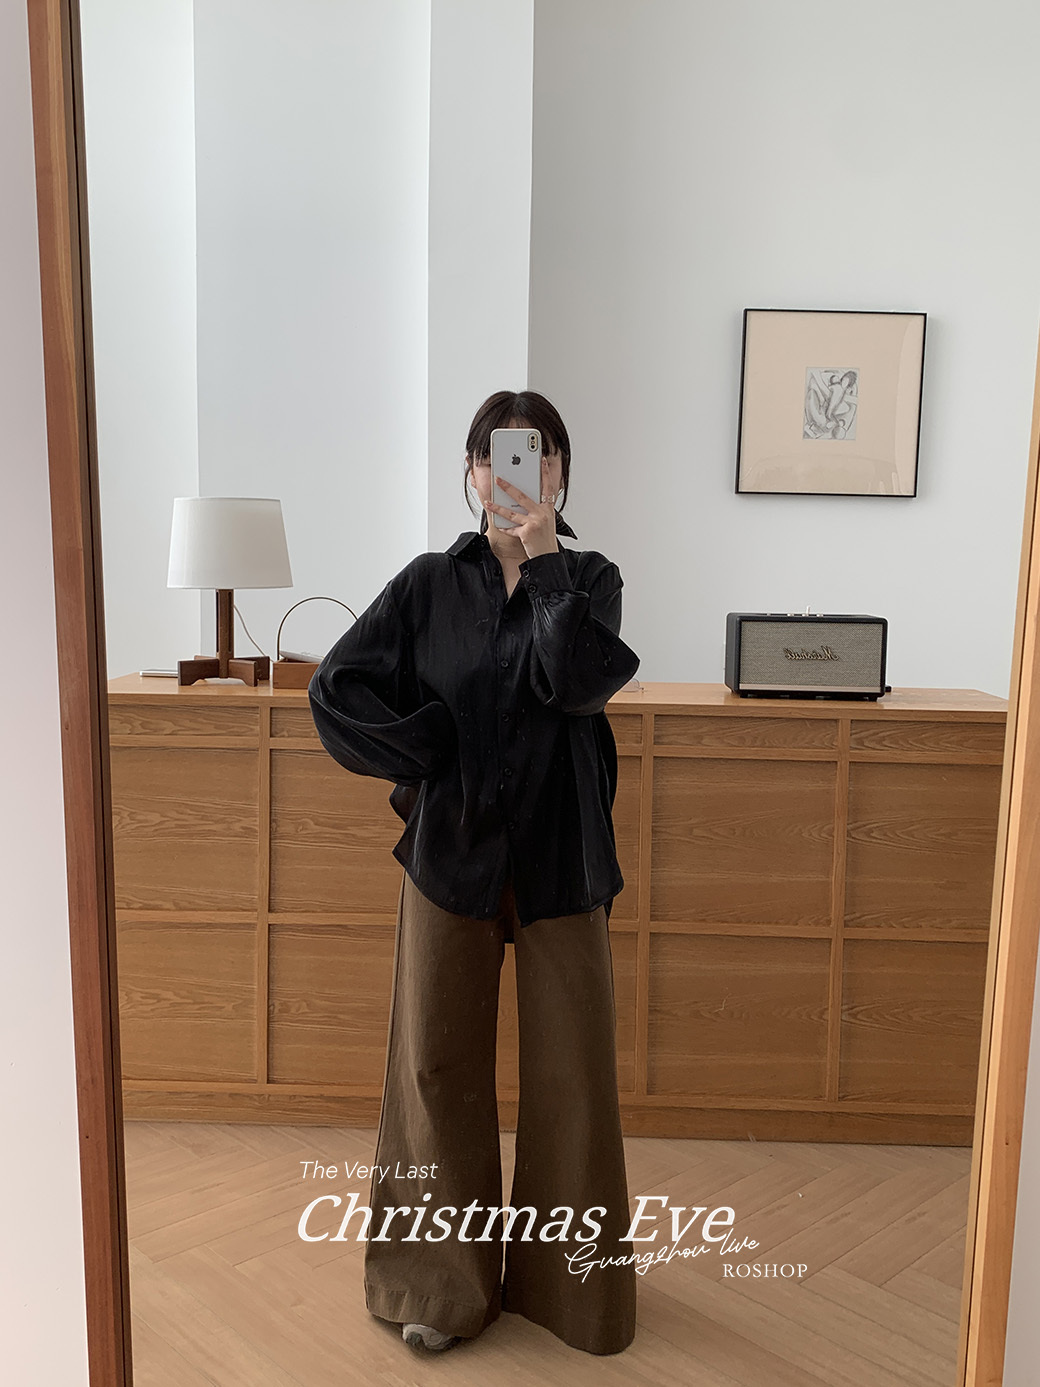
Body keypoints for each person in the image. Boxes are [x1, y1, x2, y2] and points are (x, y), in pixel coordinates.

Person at [308, 389, 640, 1356]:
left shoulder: (591, 578)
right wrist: (427, 751)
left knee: (573, 1073)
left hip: (561, 858)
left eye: (538, 456)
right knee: (433, 1066)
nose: (514, 473)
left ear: (561, 473)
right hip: (449, 857)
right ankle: (435, 1285)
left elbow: (575, 682)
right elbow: (336, 687)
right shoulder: (425, 585)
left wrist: (543, 562)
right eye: (496, 455)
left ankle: (575, 1294)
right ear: (471, 471)